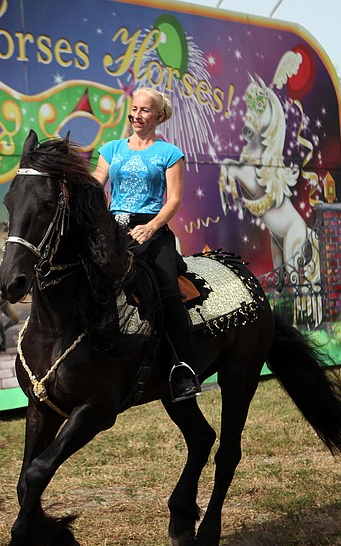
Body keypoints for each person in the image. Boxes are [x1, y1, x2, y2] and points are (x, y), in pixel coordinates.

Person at [93, 87, 202, 402]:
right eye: (134, 109)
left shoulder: (169, 153)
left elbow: (175, 200)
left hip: (153, 231)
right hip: (113, 230)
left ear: (158, 116)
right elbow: (94, 184)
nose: (136, 115)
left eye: (144, 110)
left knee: (167, 291)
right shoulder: (111, 149)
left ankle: (183, 369)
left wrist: (151, 227)